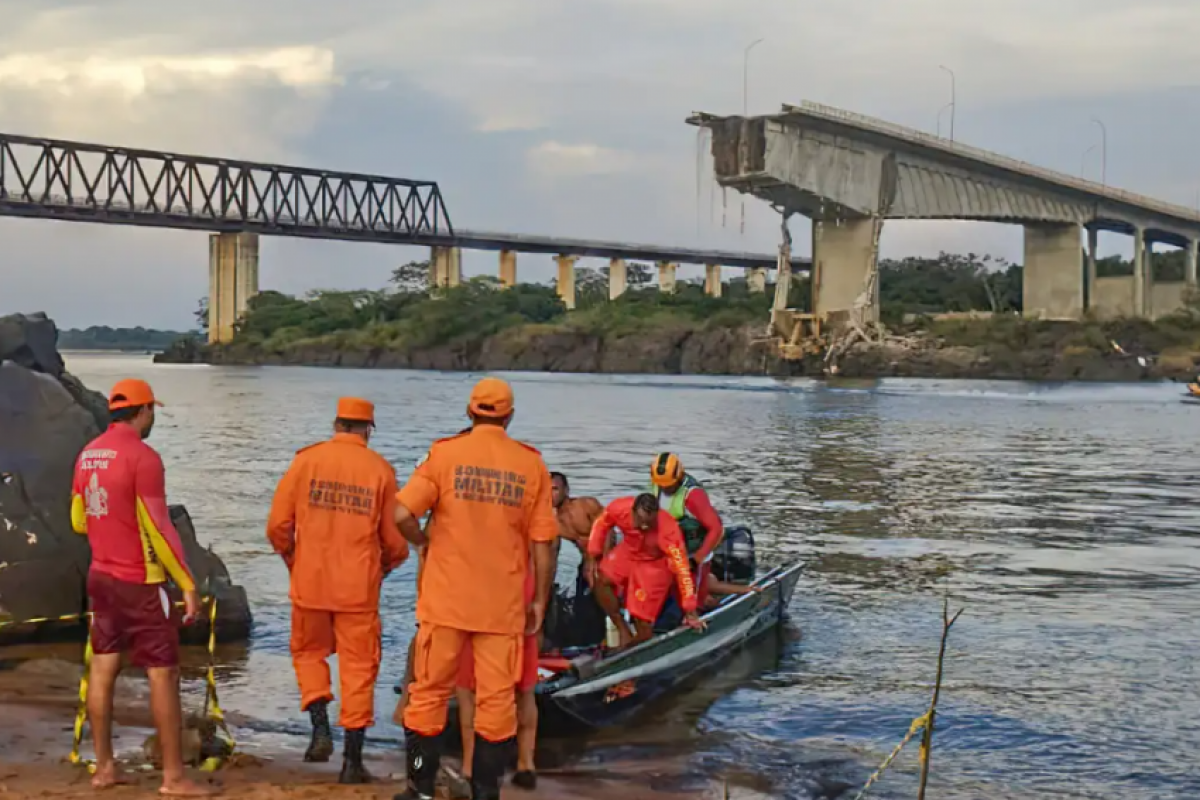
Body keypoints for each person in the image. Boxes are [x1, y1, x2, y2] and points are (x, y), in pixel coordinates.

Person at [393, 377, 558, 800]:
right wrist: (539, 599)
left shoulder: (444, 455)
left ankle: (420, 788)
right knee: (496, 706)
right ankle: (486, 793)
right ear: (510, 416)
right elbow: (543, 543)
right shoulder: (531, 465)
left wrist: (423, 542)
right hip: (501, 608)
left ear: (469, 412)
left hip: (445, 602)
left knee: (426, 698)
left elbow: (399, 514)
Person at [69, 378, 215, 797]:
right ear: (144, 411)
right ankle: (173, 778)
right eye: (153, 411)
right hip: (141, 581)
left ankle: (105, 768)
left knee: (103, 668)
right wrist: (187, 583)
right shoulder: (143, 457)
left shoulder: (88, 454)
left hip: (101, 577)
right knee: (163, 674)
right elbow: (159, 525)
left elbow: (78, 519)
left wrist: (108, 525)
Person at [266, 397, 409, 784]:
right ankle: (352, 763)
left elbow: (278, 526)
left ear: (336, 423)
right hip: (357, 591)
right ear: (368, 429)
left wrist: (295, 561)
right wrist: (382, 568)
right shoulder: (380, 470)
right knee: (359, 670)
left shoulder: (305, 462)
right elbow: (395, 543)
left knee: (308, 654)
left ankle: (319, 727)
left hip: (309, 583)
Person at [586, 494, 705, 648]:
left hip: (654, 562)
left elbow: (682, 570)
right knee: (601, 578)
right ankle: (622, 629)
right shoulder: (619, 508)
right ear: (633, 511)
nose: (644, 527)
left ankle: (634, 647)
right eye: (640, 521)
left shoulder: (668, 530)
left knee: (641, 618)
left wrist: (690, 609)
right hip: (629, 549)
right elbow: (601, 523)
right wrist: (593, 554)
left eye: (649, 523)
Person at [648, 453, 725, 607]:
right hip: (670, 550)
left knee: (693, 600)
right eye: (661, 485)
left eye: (668, 485)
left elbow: (716, 529)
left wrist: (697, 559)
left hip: (694, 551)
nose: (665, 488)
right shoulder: (657, 485)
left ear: (679, 476)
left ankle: (704, 604)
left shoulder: (693, 496)